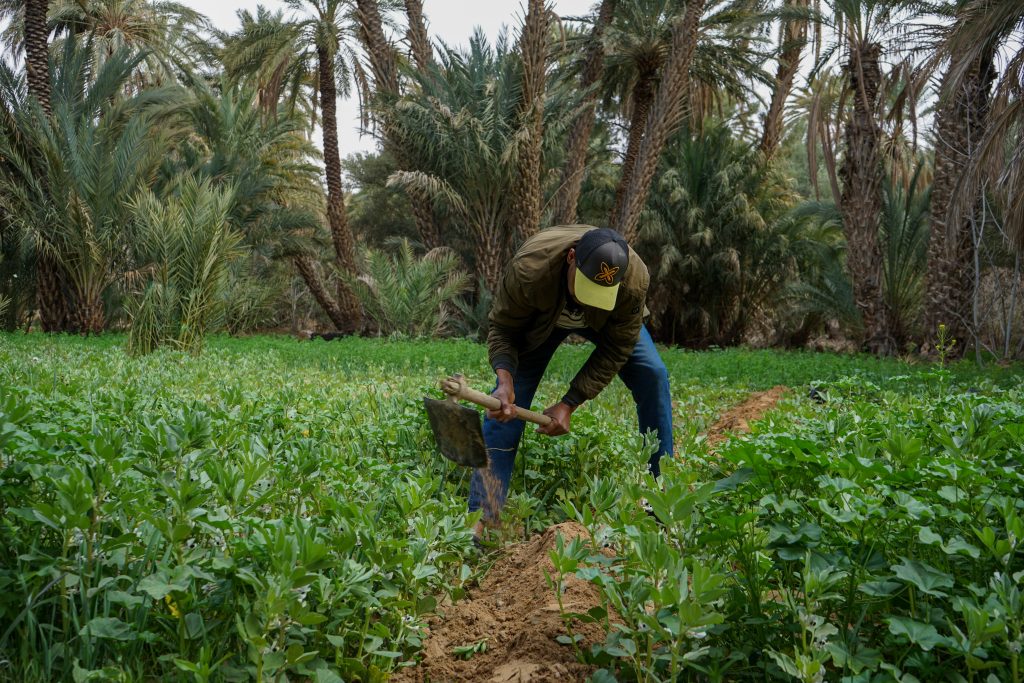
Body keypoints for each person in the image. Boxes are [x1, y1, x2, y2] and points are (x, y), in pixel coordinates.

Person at [469, 225, 673, 536]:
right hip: (541, 320)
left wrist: (570, 402)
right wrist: (505, 381)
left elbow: (618, 346)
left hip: (607, 323)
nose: (586, 300)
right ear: (571, 258)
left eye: (598, 294)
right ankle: (483, 517)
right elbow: (504, 330)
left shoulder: (633, 281)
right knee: (505, 406)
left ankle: (663, 503)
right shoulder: (530, 270)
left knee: (653, 375)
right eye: (585, 286)